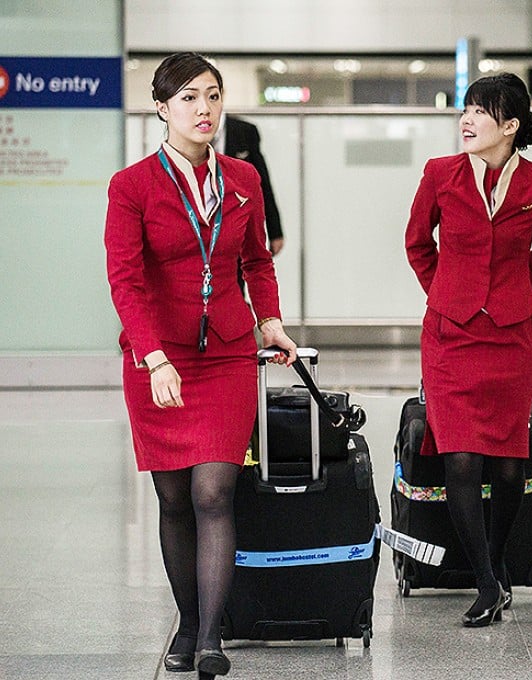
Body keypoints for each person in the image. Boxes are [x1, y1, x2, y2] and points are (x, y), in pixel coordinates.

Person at [104, 52, 298, 676]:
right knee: (173, 497)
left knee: (214, 490)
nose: (205, 109)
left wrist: (268, 318)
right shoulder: (131, 186)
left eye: (213, 96)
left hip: (228, 353)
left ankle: (211, 637)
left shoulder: (242, 177)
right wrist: (153, 355)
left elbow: (257, 261)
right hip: (158, 355)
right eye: (189, 97)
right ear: (162, 108)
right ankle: (188, 620)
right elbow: (126, 280)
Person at [405, 72, 532, 627]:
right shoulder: (440, 173)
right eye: (466, 109)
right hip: (450, 335)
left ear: (510, 125)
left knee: (507, 466)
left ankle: (498, 566)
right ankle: (483, 582)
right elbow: (415, 243)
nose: (467, 120)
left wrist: (518, 289)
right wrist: (446, 291)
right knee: (460, 458)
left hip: (509, 335)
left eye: (481, 111)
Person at [216, 113, 285, 255]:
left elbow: (262, 184)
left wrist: (275, 230)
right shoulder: (187, 130)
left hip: (238, 229)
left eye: (213, 96)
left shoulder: (245, 131)